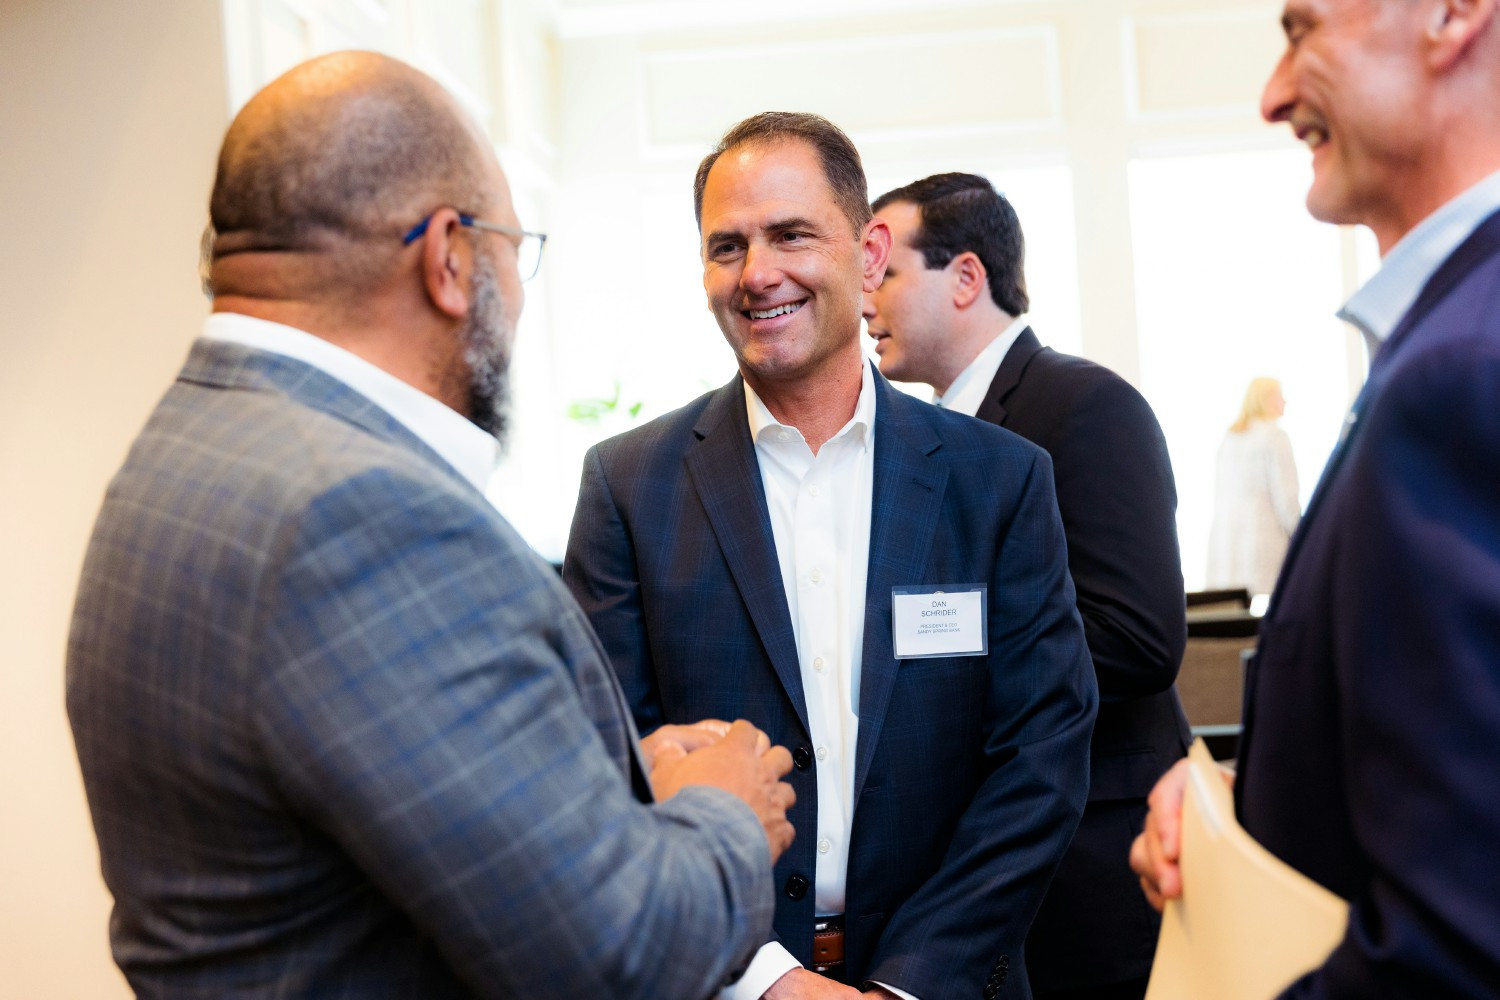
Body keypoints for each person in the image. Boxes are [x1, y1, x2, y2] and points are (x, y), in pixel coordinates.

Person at [66, 51, 799, 999]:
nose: (520, 294)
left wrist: (600, 790)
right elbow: (620, 959)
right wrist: (724, 814)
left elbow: (361, 807)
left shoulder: (189, 444)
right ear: (449, 256)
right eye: (512, 247)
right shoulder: (366, 516)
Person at [564, 112, 1097, 1000]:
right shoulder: (628, 486)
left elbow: (1040, 761)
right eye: (726, 246)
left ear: (870, 252)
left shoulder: (997, 483)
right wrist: (767, 980)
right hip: (722, 980)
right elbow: (602, 767)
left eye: (791, 234)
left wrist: (909, 985)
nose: (757, 273)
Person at [1131, 0, 1500, 995]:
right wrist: (1247, 807)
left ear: (1453, 15)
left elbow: (1463, 946)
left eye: (1304, 31)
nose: (1273, 94)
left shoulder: (1462, 363)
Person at [863, 172, 1189, 1000]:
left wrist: (947, 662)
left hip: (1099, 854)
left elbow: (1141, 637)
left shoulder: (1086, 405)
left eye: (886, 271)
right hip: (992, 858)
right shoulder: (920, 442)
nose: (864, 297)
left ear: (966, 278)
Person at [1204, 377, 1300, 597]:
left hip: (1228, 547)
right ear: (1264, 400)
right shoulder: (1275, 437)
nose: (1285, 401)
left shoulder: (1230, 438)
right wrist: (1303, 540)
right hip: (1263, 545)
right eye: (1279, 396)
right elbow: (1287, 501)